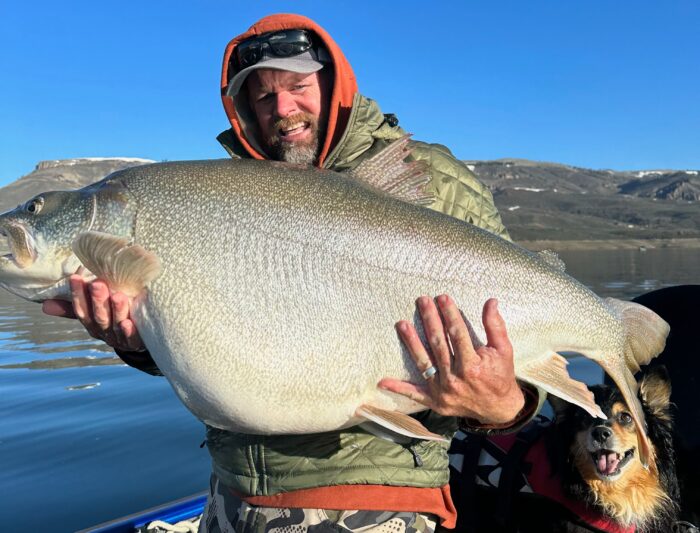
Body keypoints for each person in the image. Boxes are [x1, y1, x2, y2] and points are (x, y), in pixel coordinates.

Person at [43, 13, 542, 532]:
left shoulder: (435, 180)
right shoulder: (218, 197)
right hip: (232, 492)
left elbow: (522, 349)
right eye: (263, 97)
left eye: (298, 86)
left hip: (373, 499)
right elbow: (213, 339)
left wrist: (504, 403)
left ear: (335, 86)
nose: (283, 108)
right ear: (243, 112)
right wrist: (137, 342)